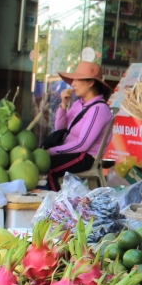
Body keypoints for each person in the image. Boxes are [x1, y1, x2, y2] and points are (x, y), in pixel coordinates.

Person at [47, 60, 113, 189]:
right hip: (72, 152)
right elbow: (60, 130)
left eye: (77, 80)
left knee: (50, 167)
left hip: (86, 157)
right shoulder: (79, 104)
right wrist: (63, 105)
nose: (73, 84)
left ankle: (56, 207)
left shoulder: (98, 109)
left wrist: (51, 152)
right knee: (42, 163)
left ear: (90, 82)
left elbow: (83, 144)